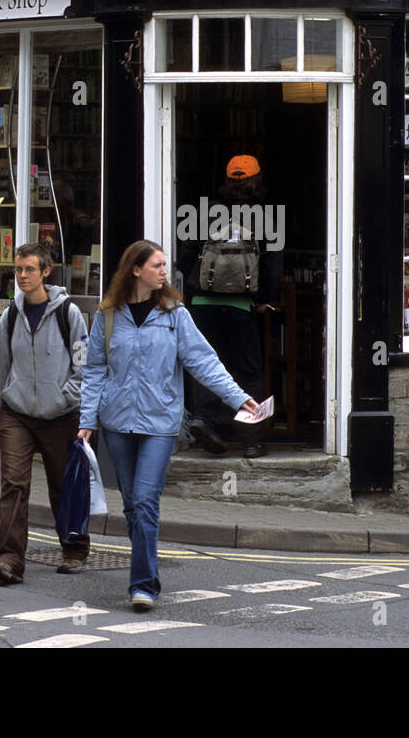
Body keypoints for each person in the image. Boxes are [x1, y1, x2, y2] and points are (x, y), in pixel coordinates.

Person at [77, 240, 257, 612]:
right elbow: (94, 369)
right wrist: (87, 419)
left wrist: (238, 397)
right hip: (117, 423)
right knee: (131, 505)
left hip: (160, 423)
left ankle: (143, 584)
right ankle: (145, 570)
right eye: (157, 265)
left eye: (164, 265)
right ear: (136, 270)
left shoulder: (175, 314)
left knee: (145, 501)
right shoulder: (108, 314)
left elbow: (204, 362)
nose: (164, 271)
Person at [0, 243, 90, 585]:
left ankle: (74, 549)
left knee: (64, 485)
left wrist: (66, 398)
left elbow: (83, 366)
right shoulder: (9, 316)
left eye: (29, 269)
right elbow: (1, 367)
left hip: (61, 415)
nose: (22, 276)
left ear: (46, 272)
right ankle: (10, 558)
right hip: (17, 413)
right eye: (18, 270)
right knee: (13, 484)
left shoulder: (68, 313)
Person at [177, 155, 282, 458]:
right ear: (257, 180)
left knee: (210, 364)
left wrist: (198, 289)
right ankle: (251, 440)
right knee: (249, 371)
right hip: (241, 306)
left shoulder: (201, 212)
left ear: (226, 180)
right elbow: (273, 263)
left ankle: (203, 420)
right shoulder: (266, 215)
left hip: (202, 304)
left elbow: (185, 256)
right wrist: (264, 299)